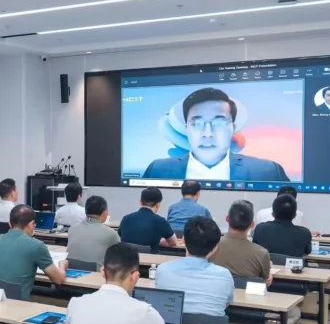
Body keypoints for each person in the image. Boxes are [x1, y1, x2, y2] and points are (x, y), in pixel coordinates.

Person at [142, 88, 290, 181]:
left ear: (233, 128)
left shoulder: (267, 171)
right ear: (187, 129)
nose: (207, 133)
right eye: (197, 124)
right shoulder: (158, 170)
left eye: (218, 123)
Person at [155, 216, 234, 316]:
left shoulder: (163, 270)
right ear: (214, 249)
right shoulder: (225, 276)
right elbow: (226, 304)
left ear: (183, 241)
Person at [0, 205, 66, 300]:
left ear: (9, 224)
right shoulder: (37, 246)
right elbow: (58, 279)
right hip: (17, 304)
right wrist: (62, 264)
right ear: (31, 224)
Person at [211, 200, 272, 284]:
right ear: (252, 224)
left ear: (227, 218)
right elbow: (265, 281)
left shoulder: (210, 245)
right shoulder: (262, 253)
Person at [65, 196, 119, 266]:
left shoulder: (72, 228)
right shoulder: (111, 233)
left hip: (70, 271)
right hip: (96, 274)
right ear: (105, 213)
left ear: (85, 211)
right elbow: (119, 256)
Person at [119, 187, 177, 252]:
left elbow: (120, 238)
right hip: (150, 260)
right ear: (158, 205)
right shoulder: (161, 221)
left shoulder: (126, 219)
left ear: (141, 202)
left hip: (126, 260)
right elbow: (173, 242)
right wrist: (158, 241)